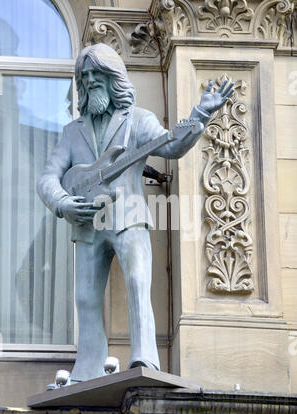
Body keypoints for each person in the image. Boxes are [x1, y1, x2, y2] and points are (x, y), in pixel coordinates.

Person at [37, 43, 234, 383]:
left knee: (138, 283)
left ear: (113, 78)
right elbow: (48, 177)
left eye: (97, 75)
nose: (90, 81)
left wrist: (200, 114)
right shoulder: (72, 132)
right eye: (84, 77)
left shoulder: (138, 120)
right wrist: (63, 202)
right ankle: (87, 368)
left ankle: (144, 357)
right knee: (85, 298)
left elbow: (171, 145)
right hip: (87, 221)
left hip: (128, 215)